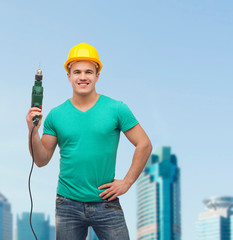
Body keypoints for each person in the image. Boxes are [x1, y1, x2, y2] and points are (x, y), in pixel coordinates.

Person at [26, 43, 152, 240]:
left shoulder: (116, 108)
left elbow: (144, 144)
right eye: (77, 72)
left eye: (88, 72)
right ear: (69, 76)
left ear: (97, 75)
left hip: (106, 203)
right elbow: (41, 160)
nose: (83, 77)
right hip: (67, 204)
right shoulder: (56, 115)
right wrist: (32, 131)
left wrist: (127, 182)